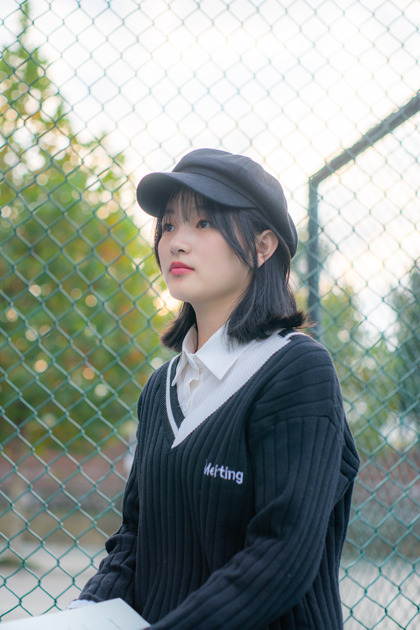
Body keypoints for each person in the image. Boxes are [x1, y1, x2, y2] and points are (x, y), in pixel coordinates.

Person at [74, 148, 360, 629]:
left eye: (203, 223)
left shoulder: (296, 370)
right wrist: (84, 613)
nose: (175, 243)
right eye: (168, 225)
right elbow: (135, 538)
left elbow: (280, 558)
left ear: (263, 246)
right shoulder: (161, 387)